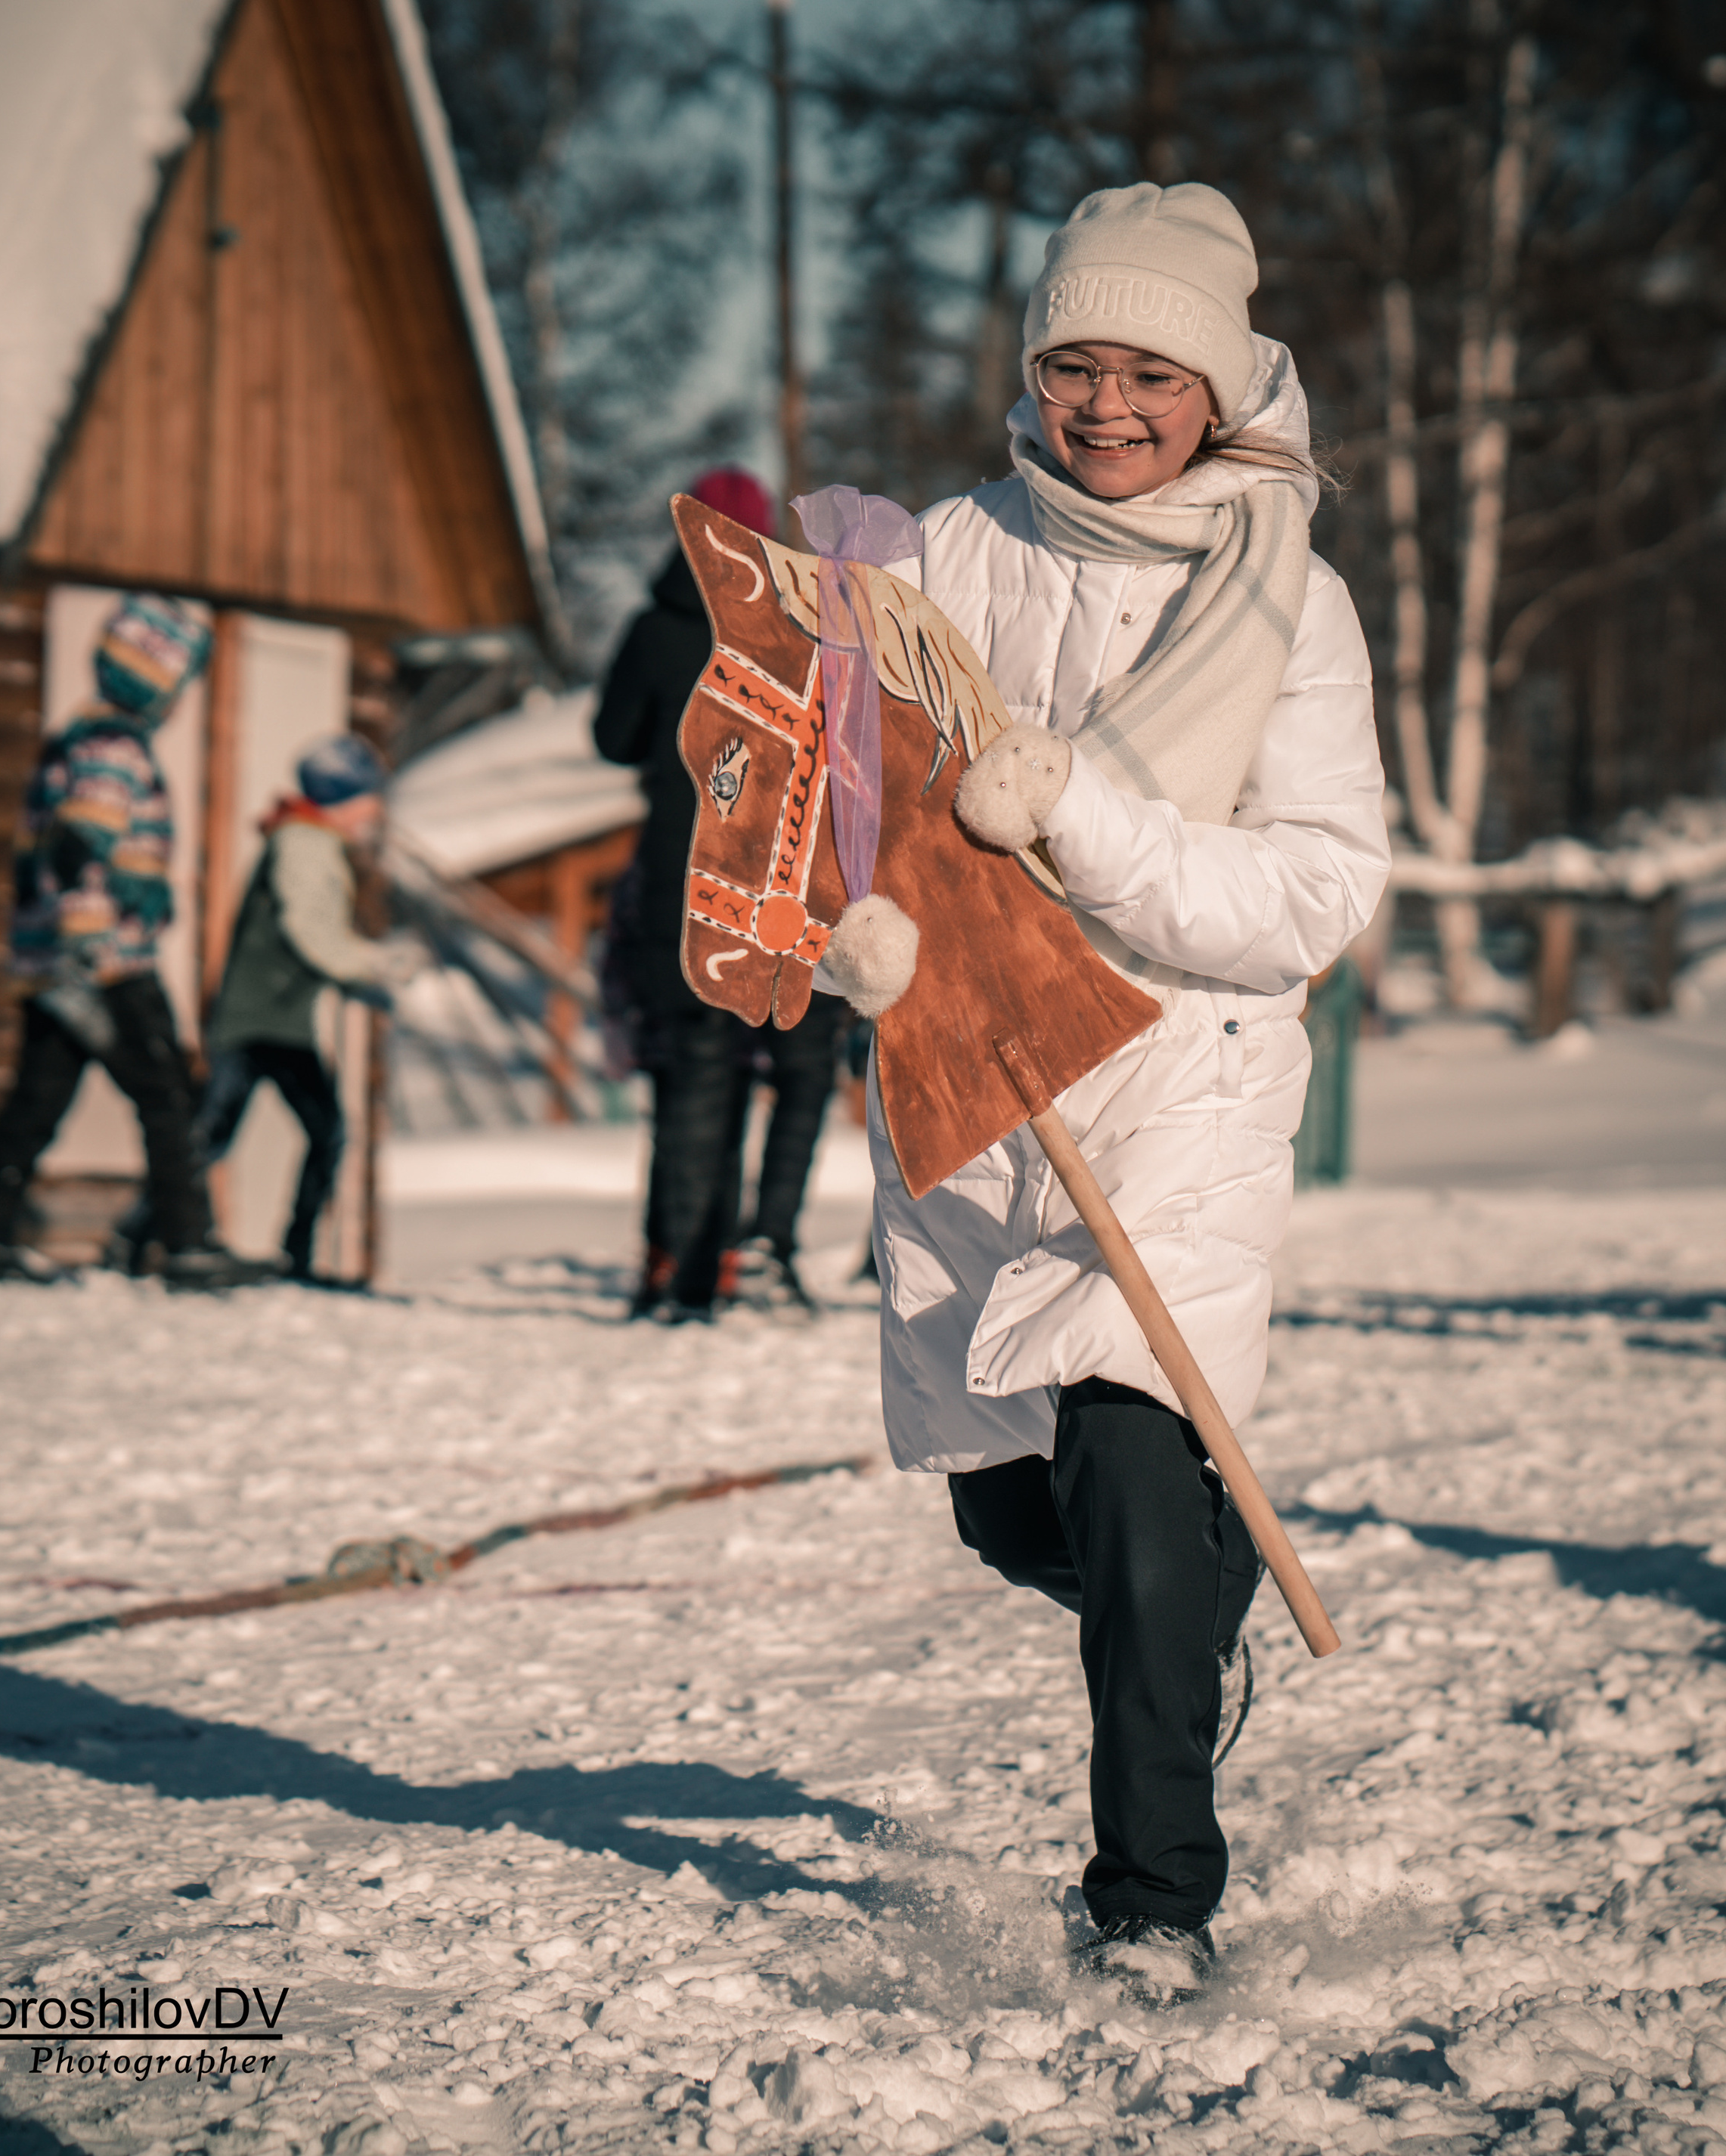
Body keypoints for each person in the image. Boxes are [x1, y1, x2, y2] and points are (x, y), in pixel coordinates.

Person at [863, 183, 1390, 2000]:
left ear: (1219, 383)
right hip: (973, 1072)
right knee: (1020, 1512)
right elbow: (858, 800)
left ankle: (1149, 1898)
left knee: (1117, 1444)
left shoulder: (1287, 594)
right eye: (1068, 362)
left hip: (1184, 1072)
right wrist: (859, 925)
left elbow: (1316, 893)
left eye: (1145, 370)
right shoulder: (942, 549)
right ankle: (1179, 1618)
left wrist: (1076, 814)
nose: (1102, 404)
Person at [596, 466, 846, 1321]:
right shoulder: (796, 624)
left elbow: (610, 738)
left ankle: (677, 1265)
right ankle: (759, 1245)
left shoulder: (655, 628)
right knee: (791, 1067)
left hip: (677, 880)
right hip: (779, 881)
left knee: (694, 1072)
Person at [0, 595, 265, 1289]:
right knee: (169, 1098)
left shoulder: (76, 738)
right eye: (180, 684)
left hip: (53, 960)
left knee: (37, 1099)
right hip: (103, 964)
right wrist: (90, 944)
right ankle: (187, 1245)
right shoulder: (115, 747)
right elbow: (80, 841)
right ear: (155, 685)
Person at [197, 735, 419, 1284]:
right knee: (215, 1134)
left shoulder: (310, 838)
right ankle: (149, 1239)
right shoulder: (304, 842)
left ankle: (294, 1253)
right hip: (258, 1020)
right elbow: (311, 931)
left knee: (311, 1131)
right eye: (368, 798)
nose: (375, 811)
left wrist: (349, 973)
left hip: (279, 1017)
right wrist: (373, 966)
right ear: (342, 796)